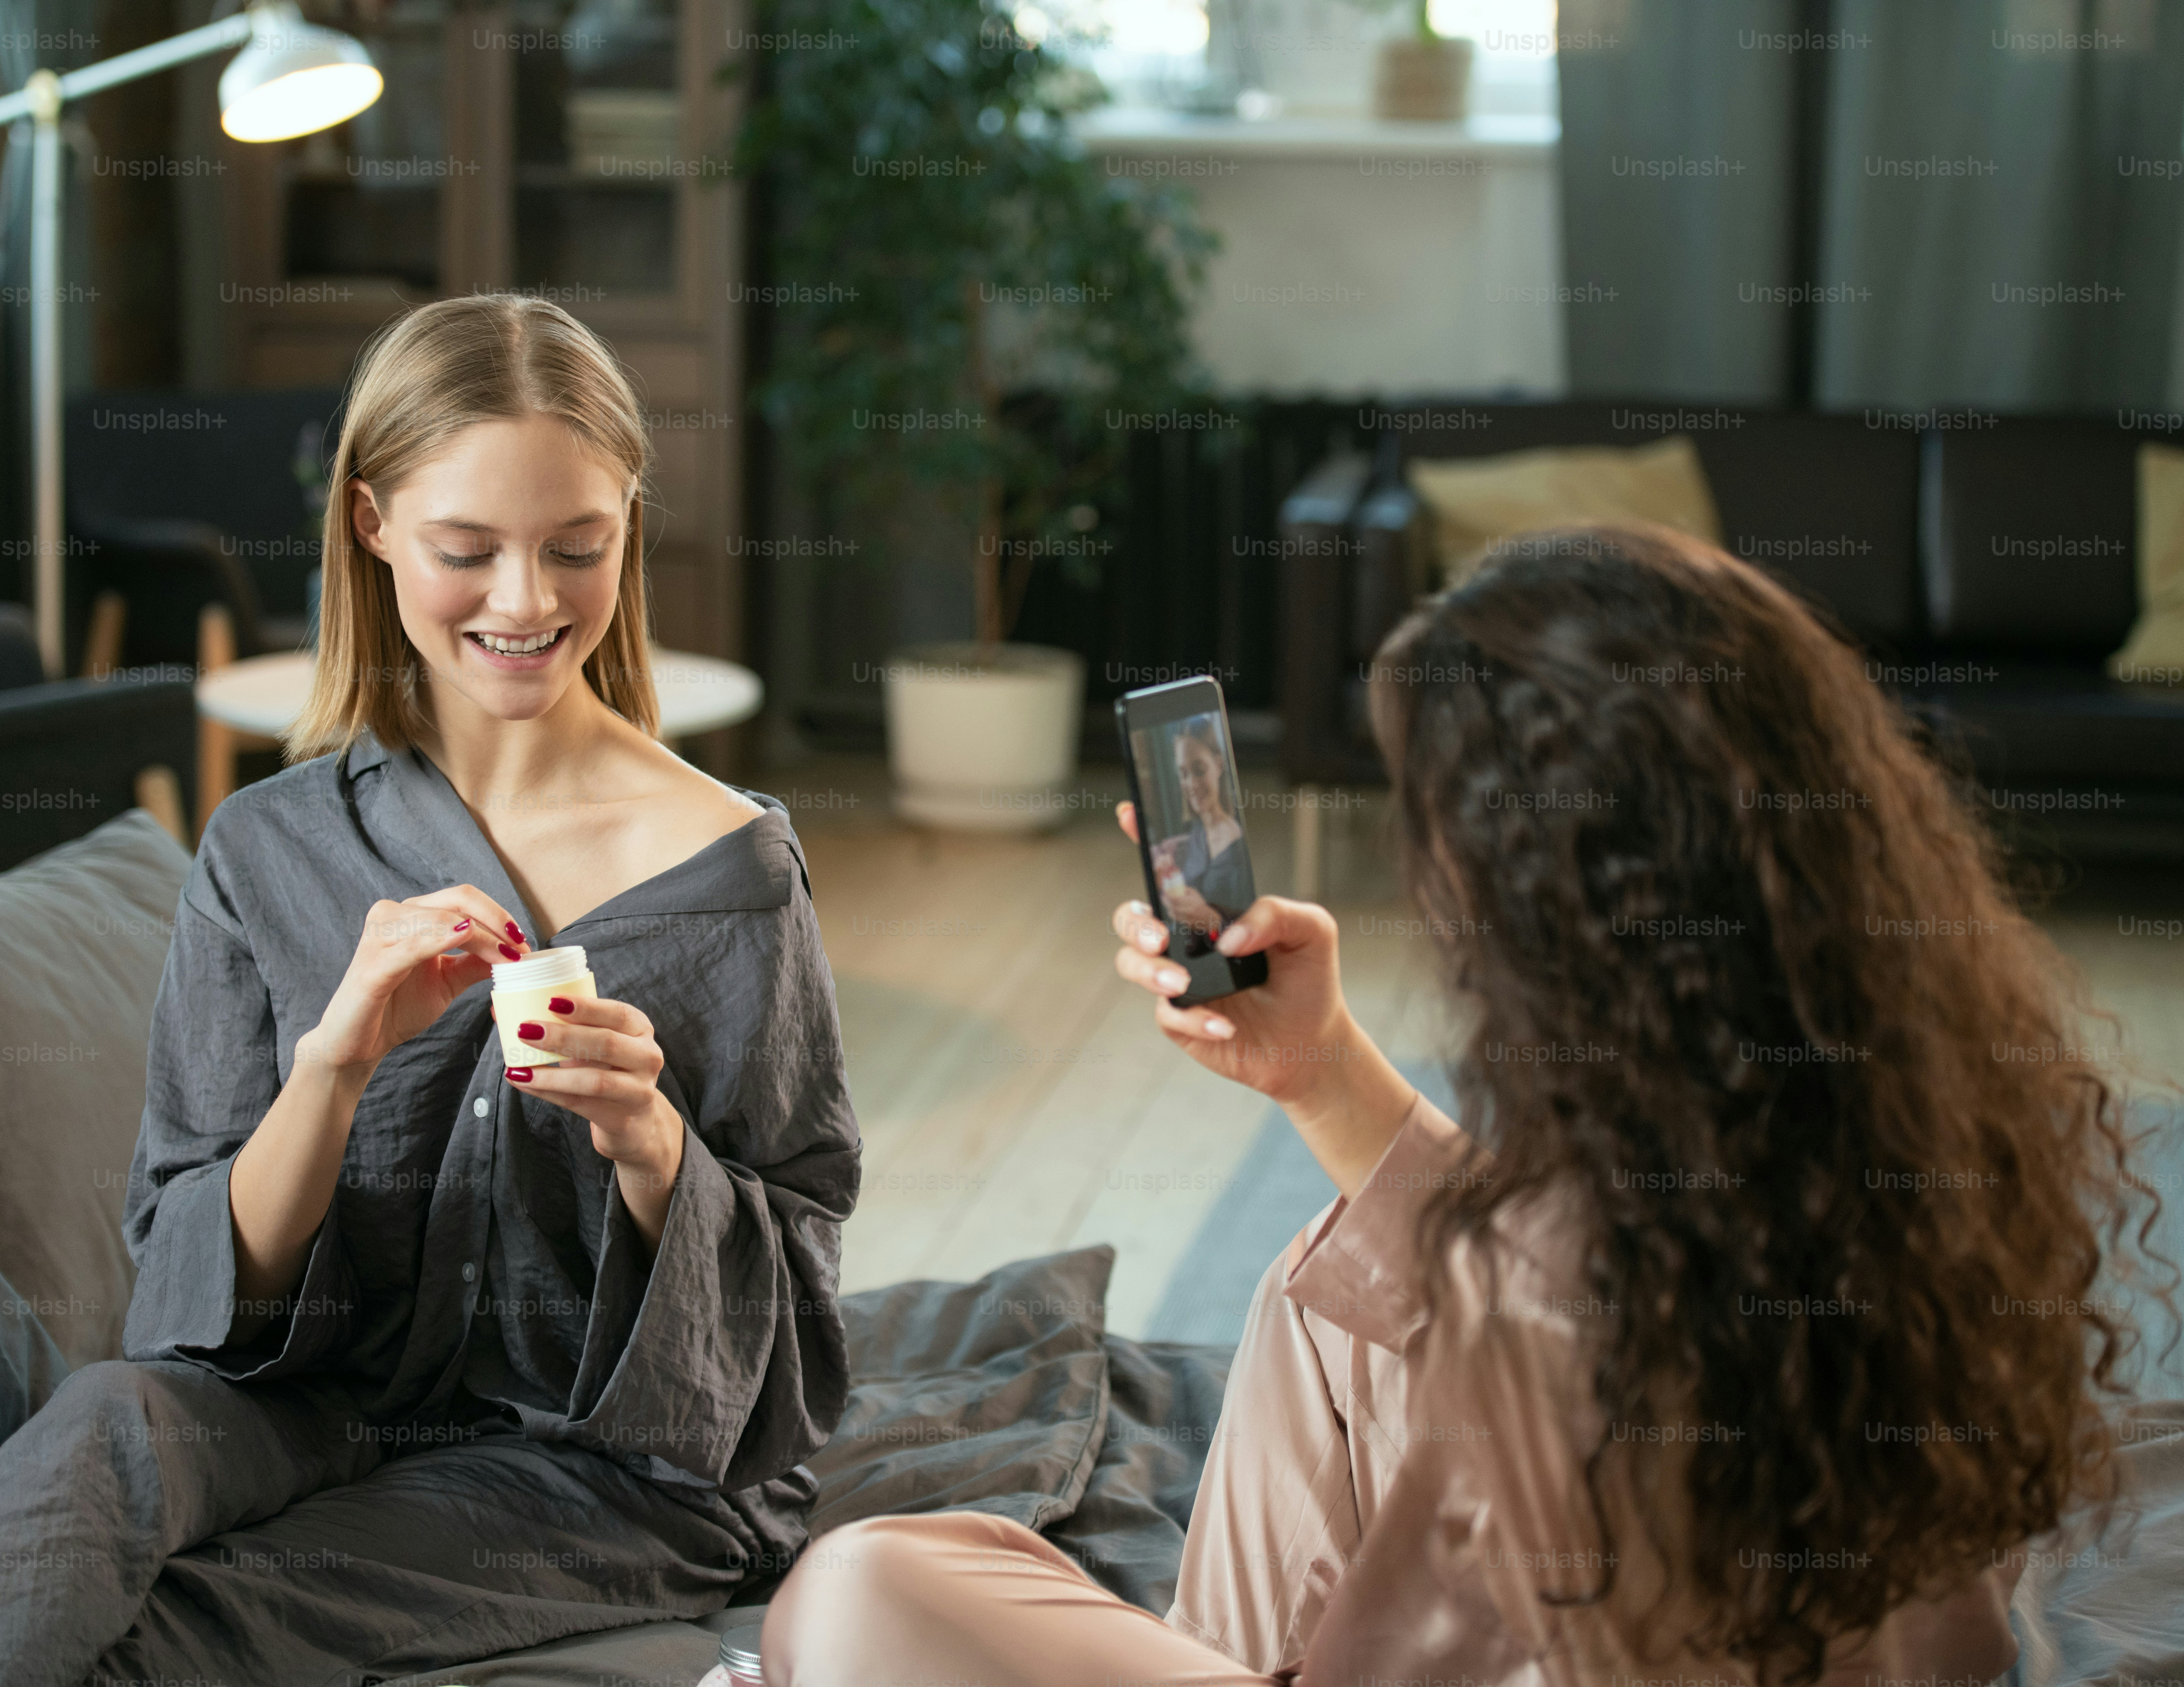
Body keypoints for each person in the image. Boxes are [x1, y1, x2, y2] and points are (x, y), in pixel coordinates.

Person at [761, 524, 2163, 1687]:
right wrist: (1314, 1067)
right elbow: (1547, 1271)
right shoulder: (1900, 1124)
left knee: (860, 1592)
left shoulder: (1544, 1311)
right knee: (1327, 1297)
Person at [0, 295, 860, 1685]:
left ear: (629, 517)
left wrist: (654, 1148)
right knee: (97, 1436)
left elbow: (791, 1319)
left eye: (577, 547)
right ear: (371, 524)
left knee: (168, 1633)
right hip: (311, 1402)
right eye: (465, 550)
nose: (524, 601)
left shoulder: (732, 874)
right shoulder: (270, 850)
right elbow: (189, 1294)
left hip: (600, 1464)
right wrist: (332, 1068)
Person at [1152, 721, 1248, 937]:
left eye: (1199, 770)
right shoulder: (1194, 836)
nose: (1192, 784)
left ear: (1220, 765)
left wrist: (1211, 920)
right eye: (1184, 774)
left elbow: (1249, 925)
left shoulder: (1240, 848)